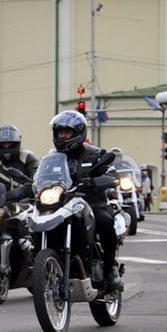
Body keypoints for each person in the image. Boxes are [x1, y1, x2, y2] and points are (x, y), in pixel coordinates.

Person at [50, 110, 122, 290]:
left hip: (92, 203)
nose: (63, 136)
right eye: (60, 132)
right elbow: (40, 176)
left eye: (67, 132)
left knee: (105, 221)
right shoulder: (52, 158)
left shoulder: (95, 154)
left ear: (78, 133)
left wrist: (100, 180)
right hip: (62, 205)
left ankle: (109, 267)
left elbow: (111, 172)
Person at [0, 124, 39, 200]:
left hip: (28, 203)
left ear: (16, 143)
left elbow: (37, 179)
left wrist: (22, 191)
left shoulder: (27, 158)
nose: (6, 146)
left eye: (9, 143)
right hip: (2, 204)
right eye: (3, 144)